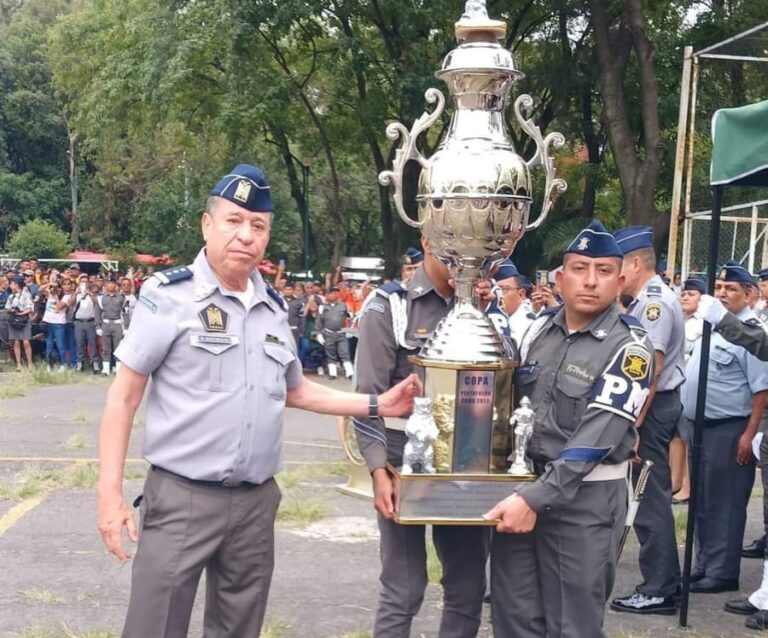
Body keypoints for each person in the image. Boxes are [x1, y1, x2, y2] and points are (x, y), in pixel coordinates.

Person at [97, 164, 420, 638]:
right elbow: (123, 397)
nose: (245, 235)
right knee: (155, 627)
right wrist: (109, 495)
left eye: (258, 225)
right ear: (207, 224)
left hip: (254, 504)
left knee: (238, 630)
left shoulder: (271, 308)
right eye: (233, 220)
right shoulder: (168, 296)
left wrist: (378, 405)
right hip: (182, 496)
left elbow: (295, 390)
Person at [484, 220, 654, 637]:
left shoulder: (631, 347)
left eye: (603, 270)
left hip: (584, 503)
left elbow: (596, 438)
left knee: (571, 627)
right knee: (514, 620)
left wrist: (535, 499)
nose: (591, 281)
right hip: (525, 490)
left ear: (620, 280)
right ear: (560, 279)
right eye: (579, 269)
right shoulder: (539, 330)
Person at [354, 237, 489, 638]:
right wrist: (377, 469)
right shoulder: (391, 306)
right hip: (401, 459)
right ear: (429, 237)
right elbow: (368, 397)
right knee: (404, 588)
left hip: (466, 459)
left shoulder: (483, 305)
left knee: (467, 587)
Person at [679, 261, 768, 595]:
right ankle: (705, 564)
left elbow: (761, 389)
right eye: (718, 288)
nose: (721, 294)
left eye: (730, 289)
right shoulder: (711, 324)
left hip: (730, 427)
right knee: (702, 500)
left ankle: (722, 570)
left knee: (725, 502)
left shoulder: (750, 332)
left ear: (749, 294)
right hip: (701, 426)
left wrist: (749, 433)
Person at [610, 226, 685, 616]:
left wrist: (633, 422)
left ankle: (659, 587)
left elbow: (651, 370)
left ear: (635, 263)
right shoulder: (644, 301)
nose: (614, 276)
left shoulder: (653, 303)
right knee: (648, 497)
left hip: (652, 411)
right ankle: (664, 582)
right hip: (655, 408)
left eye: (618, 266)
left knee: (648, 499)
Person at [483, 258, 536, 351]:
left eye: (503, 289)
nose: (495, 295)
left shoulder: (534, 326)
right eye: (491, 289)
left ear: (521, 294)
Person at [315, 286, 353, 379]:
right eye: (329, 293)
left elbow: (351, 318)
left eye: (334, 293)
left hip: (342, 333)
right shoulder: (322, 307)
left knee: (344, 352)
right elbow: (319, 321)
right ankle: (333, 373)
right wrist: (318, 333)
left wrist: (350, 330)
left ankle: (350, 373)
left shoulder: (344, 306)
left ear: (337, 294)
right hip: (328, 333)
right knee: (330, 353)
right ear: (326, 295)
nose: (331, 295)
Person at [69, 273, 102, 374]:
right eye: (82, 282)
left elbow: (97, 304)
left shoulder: (92, 294)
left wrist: (89, 293)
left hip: (90, 322)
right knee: (79, 343)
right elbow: (71, 303)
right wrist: (76, 293)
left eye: (85, 282)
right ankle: (80, 364)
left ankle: (95, 364)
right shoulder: (76, 294)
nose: (84, 284)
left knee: (92, 344)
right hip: (79, 322)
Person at [4, 275, 35, 371]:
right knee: (16, 342)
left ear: (17, 284)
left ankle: (30, 363)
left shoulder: (26, 295)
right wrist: (12, 311)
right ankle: (19, 364)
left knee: (26, 341)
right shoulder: (10, 296)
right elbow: (7, 307)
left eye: (12, 283)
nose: (10, 285)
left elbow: (30, 308)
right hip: (13, 320)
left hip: (23, 320)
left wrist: (20, 313)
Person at [41, 282, 68, 370]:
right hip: (48, 322)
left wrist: (56, 296)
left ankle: (63, 364)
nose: (54, 289)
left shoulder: (66, 297)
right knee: (49, 344)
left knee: (60, 345)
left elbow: (60, 306)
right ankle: (49, 364)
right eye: (53, 288)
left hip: (59, 323)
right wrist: (50, 283)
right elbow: (40, 289)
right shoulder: (49, 294)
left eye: (57, 288)